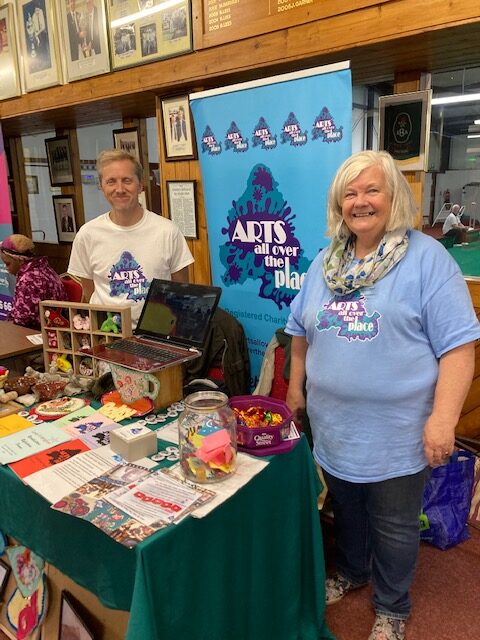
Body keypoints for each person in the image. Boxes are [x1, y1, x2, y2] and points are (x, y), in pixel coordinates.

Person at [285, 150, 480, 640]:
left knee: (393, 525)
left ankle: (393, 607)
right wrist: (294, 389)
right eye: (349, 193)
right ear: (338, 204)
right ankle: (354, 571)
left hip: (398, 434)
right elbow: (300, 333)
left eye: (372, 190)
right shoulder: (324, 263)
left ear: (393, 197)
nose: (360, 202)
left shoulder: (426, 259)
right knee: (346, 508)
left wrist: (442, 420)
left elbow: (459, 346)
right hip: (335, 428)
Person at [68, 149, 194, 327]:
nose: (119, 189)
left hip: (157, 335)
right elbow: (90, 290)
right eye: (111, 181)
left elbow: (181, 289)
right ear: (102, 186)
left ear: (140, 185)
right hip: (109, 337)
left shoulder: (168, 231)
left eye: (127, 180)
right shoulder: (87, 235)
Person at [0, 234, 67, 330]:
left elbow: (23, 319)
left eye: (8, 264)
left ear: (19, 260)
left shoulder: (29, 280)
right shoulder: (44, 268)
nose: (7, 269)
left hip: (44, 332)